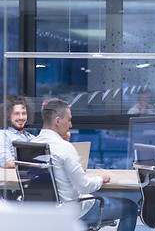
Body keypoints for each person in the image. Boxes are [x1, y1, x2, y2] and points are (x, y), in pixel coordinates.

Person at [31, 98, 138, 231]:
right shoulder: (64, 148)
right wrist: (100, 178)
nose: (70, 125)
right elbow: (84, 186)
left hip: (40, 211)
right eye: (69, 120)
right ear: (58, 121)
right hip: (72, 212)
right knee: (130, 208)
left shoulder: (31, 145)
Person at [0, 94, 35, 168]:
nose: (21, 117)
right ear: (8, 116)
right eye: (16, 114)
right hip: (14, 178)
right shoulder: (3, 135)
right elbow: (6, 163)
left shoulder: (32, 138)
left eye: (24, 113)